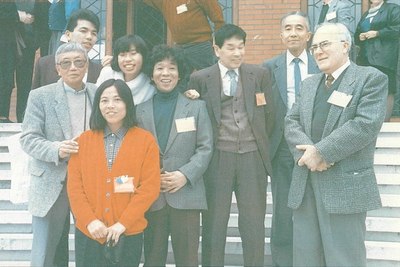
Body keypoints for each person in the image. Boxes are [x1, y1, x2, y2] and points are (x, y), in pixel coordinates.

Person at [285, 22, 387, 267]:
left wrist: (321, 152)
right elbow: (291, 121)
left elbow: (365, 125)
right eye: (314, 47)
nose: (317, 51)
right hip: (305, 183)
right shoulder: (309, 84)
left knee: (344, 259)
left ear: (345, 45)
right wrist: (308, 155)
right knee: (305, 258)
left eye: (324, 44)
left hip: (345, 185)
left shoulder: (370, 79)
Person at [188, 24, 275, 267]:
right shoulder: (200, 78)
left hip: (252, 157)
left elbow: (269, 115)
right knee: (215, 223)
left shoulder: (259, 75)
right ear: (217, 49)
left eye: (241, 47)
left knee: (253, 223)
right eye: (231, 48)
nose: (237, 53)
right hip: (217, 158)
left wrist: (256, 143)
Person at [67, 79, 160, 267]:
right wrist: (90, 221)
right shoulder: (84, 141)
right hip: (90, 232)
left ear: (127, 103)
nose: (110, 106)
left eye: (117, 100)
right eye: (104, 100)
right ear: (98, 105)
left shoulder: (145, 141)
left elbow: (149, 187)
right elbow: (75, 188)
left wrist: (122, 224)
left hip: (128, 232)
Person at [20, 42, 97, 267]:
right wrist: (57, 149)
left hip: (91, 180)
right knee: (47, 252)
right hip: (53, 178)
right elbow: (28, 138)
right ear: (57, 68)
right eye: (66, 63)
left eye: (79, 62)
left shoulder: (99, 93)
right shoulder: (40, 96)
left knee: (92, 245)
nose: (73, 67)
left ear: (87, 66)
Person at [136, 45, 213, 267]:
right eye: (160, 68)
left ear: (180, 73)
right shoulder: (139, 111)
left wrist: (184, 175)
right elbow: (135, 152)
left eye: (172, 68)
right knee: (152, 258)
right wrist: (151, 178)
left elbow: (205, 147)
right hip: (152, 196)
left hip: (187, 195)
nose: (166, 73)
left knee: (188, 259)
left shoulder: (196, 107)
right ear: (151, 73)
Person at [262, 11, 319, 267]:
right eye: (288, 28)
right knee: (283, 213)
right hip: (282, 150)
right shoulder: (267, 68)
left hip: (318, 147)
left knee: (315, 210)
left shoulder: (322, 64)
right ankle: (283, 262)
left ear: (308, 35)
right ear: (281, 34)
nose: (293, 33)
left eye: (299, 28)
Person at [143, 0, 224, 74]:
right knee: (179, 81)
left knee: (209, 78)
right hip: (179, 48)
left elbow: (218, 18)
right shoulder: (164, 2)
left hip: (200, 45)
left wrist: (217, 43)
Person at [32, 8, 101, 89]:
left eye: (94, 33)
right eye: (83, 31)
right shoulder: (45, 64)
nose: (89, 37)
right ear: (68, 35)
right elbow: (34, 99)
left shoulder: (99, 71)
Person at [355, 0, 400, 121]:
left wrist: (377, 33)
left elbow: (397, 29)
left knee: (387, 88)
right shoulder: (366, 14)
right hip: (365, 59)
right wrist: (359, 36)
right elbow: (358, 32)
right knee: (368, 90)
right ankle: (368, 121)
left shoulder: (392, 9)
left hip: (384, 58)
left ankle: (384, 122)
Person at [96, 35, 156, 106]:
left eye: (133, 54)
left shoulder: (151, 80)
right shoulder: (107, 73)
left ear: (143, 56)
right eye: (122, 55)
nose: (128, 59)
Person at [15, 0, 37, 123]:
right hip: (5, 40)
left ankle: (22, 117)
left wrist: (36, 41)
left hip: (27, 42)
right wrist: (18, 15)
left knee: (25, 82)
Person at [0, 2, 18, 123]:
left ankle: (3, 115)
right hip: (5, 43)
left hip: (7, 43)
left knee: (7, 79)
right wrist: (18, 16)